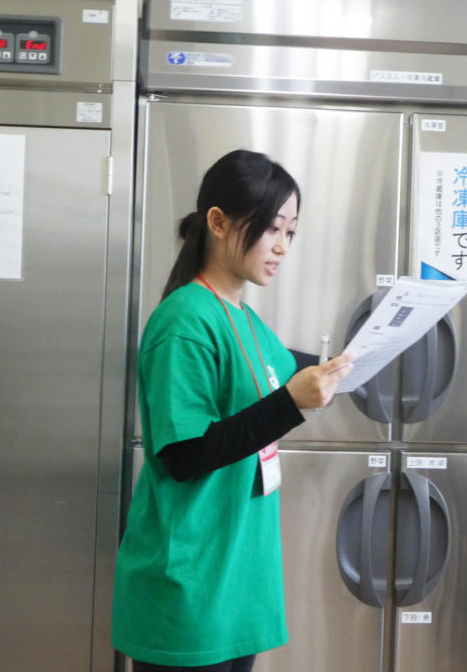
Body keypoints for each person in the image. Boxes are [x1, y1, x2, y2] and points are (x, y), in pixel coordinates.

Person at [112, 149, 353, 672]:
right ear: (218, 223)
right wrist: (291, 402)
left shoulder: (243, 317)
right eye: (271, 228)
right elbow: (185, 455)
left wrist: (365, 355)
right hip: (190, 589)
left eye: (290, 232)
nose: (282, 246)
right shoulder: (184, 321)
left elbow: (291, 368)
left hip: (237, 586)